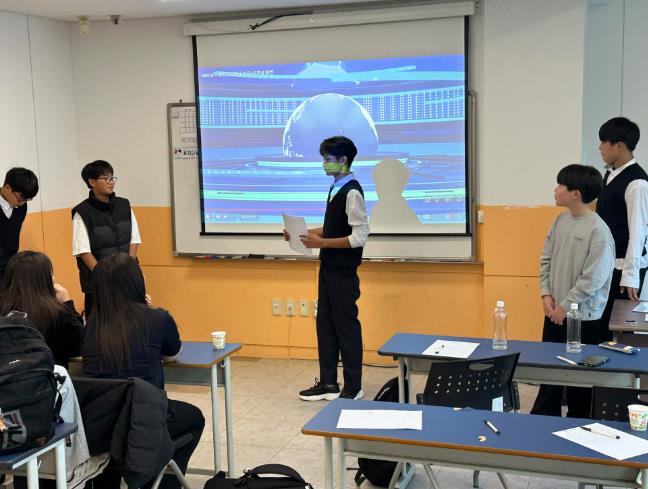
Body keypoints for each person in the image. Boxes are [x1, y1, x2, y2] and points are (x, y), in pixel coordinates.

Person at [81, 254, 204, 489]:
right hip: (144, 421)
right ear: (135, 282)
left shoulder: (91, 324)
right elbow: (173, 353)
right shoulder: (157, 318)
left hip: (99, 426)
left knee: (115, 442)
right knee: (194, 418)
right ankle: (159, 482)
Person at [287, 136, 369, 401]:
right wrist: (303, 234)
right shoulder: (335, 188)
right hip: (328, 268)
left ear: (343, 160)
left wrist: (322, 242)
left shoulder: (352, 192)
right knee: (325, 325)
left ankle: (353, 386)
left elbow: (359, 236)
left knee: (346, 328)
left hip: (343, 272)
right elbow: (334, 228)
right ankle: (328, 383)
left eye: (328, 159)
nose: (324, 164)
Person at [531, 164, 615, 418]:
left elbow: (593, 279)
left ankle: (578, 427)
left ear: (576, 193)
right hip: (555, 312)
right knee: (549, 373)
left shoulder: (598, 230)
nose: (555, 190)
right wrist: (546, 294)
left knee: (579, 380)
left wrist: (565, 307)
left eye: (561, 185)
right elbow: (545, 259)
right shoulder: (560, 220)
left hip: (583, 318)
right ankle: (543, 421)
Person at [596, 117, 647, 333]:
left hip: (624, 267)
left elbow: (638, 233)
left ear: (619, 146)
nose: (600, 147)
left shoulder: (637, 182)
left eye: (603, 142)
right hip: (607, 263)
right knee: (599, 326)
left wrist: (631, 277)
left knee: (618, 331)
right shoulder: (610, 174)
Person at [72, 160, 141, 317]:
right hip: (99, 283)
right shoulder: (82, 212)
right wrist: (105, 277)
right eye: (106, 178)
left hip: (127, 278)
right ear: (92, 182)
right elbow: (83, 251)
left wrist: (129, 269)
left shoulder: (124, 205)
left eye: (112, 177)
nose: (111, 182)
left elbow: (134, 239)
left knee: (131, 320)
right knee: (101, 324)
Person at [0, 251, 83, 368]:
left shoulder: (3, 307)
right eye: (51, 274)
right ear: (45, 279)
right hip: (46, 376)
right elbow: (77, 347)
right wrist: (67, 303)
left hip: (6, 376)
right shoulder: (56, 311)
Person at [0, 167, 39, 283]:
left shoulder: (21, 207)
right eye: (20, 199)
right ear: (7, 188)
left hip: (11, 268)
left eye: (27, 200)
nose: (22, 203)